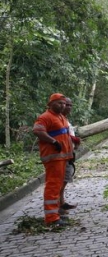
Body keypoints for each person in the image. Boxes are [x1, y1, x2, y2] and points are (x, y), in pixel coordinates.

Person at [33, 93, 73, 227]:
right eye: (59, 103)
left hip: (62, 157)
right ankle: (51, 218)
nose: (62, 106)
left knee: (57, 186)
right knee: (53, 186)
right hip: (53, 158)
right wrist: (53, 141)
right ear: (50, 104)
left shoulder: (61, 117)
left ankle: (57, 214)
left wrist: (70, 154)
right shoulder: (45, 117)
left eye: (63, 103)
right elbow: (38, 131)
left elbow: (66, 136)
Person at [59, 97, 81, 214]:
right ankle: (59, 206)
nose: (68, 107)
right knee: (61, 180)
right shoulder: (57, 119)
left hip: (68, 154)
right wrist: (75, 140)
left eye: (70, 105)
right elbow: (63, 135)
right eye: (66, 105)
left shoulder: (64, 119)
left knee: (66, 178)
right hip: (60, 156)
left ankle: (62, 202)